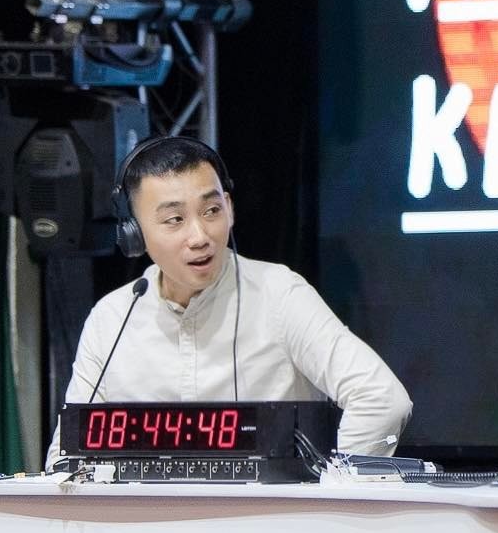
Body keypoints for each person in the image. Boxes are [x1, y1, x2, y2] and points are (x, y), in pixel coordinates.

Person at [50, 136, 411, 462]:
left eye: (211, 211)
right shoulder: (112, 318)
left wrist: (330, 491)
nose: (199, 236)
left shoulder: (278, 294)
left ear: (230, 208)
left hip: (268, 515)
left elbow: (382, 400)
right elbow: (64, 460)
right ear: (134, 233)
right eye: (174, 219)